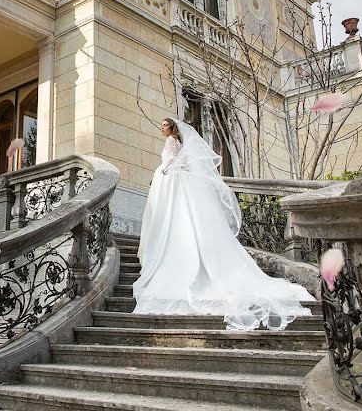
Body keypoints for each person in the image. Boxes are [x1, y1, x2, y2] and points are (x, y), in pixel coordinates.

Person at [132, 117, 315, 330]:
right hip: (182, 183)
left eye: (164, 125)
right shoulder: (181, 142)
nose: (161, 128)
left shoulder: (171, 142)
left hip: (174, 182)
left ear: (172, 128)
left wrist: (162, 171)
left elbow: (170, 161)